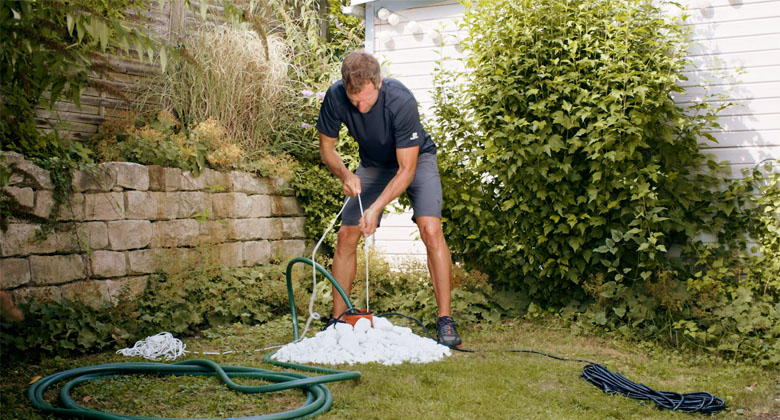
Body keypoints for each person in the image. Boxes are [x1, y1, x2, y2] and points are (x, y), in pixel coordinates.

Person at [316, 51, 461, 348]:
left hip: (416, 160)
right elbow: (327, 149)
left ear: (378, 83)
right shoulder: (335, 96)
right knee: (346, 235)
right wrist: (345, 174)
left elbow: (406, 170)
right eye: (354, 101)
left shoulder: (401, 100)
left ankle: (445, 319)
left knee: (431, 230)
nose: (360, 107)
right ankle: (338, 320)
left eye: (366, 99)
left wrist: (375, 208)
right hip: (373, 164)